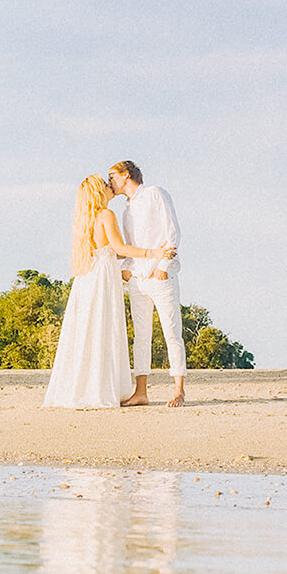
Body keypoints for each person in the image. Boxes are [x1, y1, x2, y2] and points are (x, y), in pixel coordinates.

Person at [44, 175, 177, 409]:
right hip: (103, 277)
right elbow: (119, 248)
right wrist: (152, 253)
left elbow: (107, 249)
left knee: (86, 331)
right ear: (98, 192)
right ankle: (102, 388)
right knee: (103, 328)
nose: (109, 186)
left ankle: (82, 387)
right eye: (105, 185)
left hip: (86, 278)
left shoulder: (84, 219)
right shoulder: (106, 215)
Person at [108, 161, 185, 407]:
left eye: (112, 176)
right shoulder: (126, 210)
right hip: (138, 281)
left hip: (160, 278)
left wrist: (162, 268)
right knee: (141, 337)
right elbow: (130, 248)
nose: (109, 182)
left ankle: (179, 391)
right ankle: (140, 392)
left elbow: (172, 233)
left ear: (125, 175)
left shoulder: (155, 194)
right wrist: (127, 271)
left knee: (172, 333)